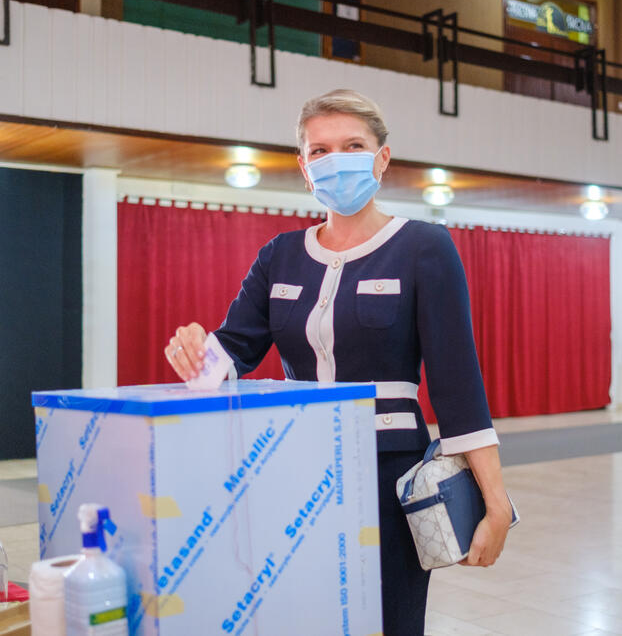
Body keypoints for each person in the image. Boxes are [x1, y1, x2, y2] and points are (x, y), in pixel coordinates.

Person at [164, 89, 511, 635]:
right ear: (304, 167)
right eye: (320, 150)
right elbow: (232, 353)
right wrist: (194, 351)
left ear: (382, 158)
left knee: (389, 620)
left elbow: (458, 384)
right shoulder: (278, 254)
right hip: (292, 470)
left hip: (389, 475)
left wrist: (496, 504)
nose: (335, 159)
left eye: (353, 145)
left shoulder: (424, 247)